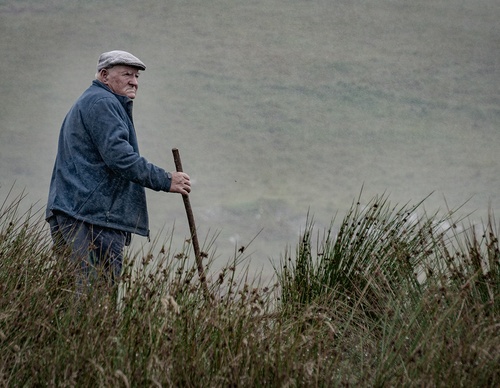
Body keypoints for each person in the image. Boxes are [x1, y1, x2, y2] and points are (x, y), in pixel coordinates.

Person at [46, 50, 191, 287]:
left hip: (79, 212)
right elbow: (120, 158)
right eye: (126, 74)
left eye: (136, 76)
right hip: (90, 217)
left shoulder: (95, 101)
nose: (134, 81)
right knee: (92, 302)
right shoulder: (103, 102)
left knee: (74, 296)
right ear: (104, 75)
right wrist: (166, 180)